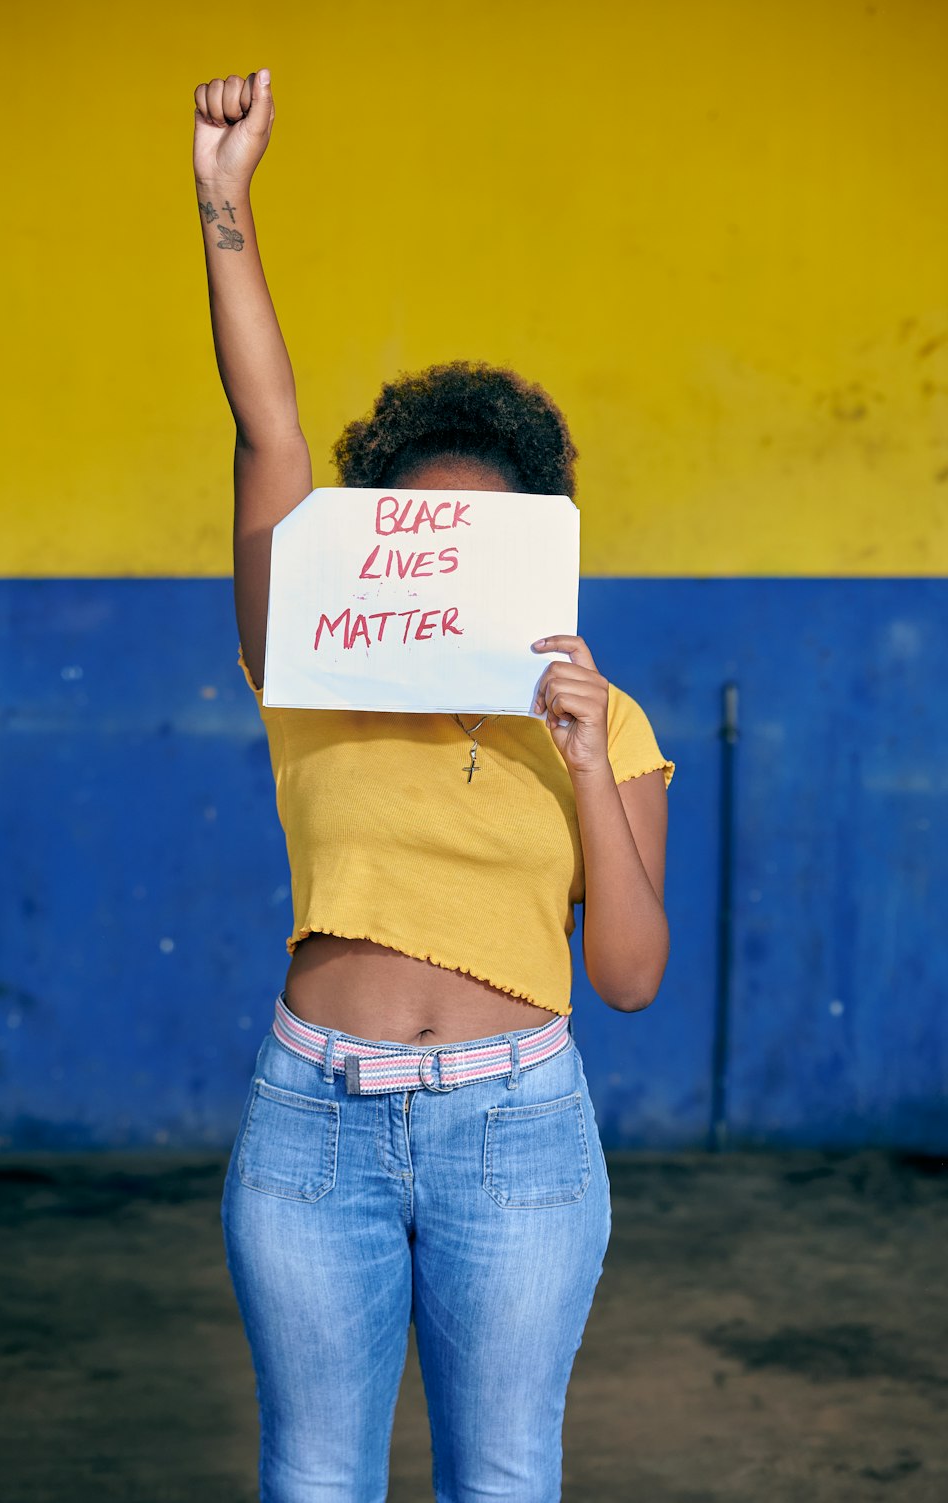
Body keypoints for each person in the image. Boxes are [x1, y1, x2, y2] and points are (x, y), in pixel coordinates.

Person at [194, 67, 676, 1503]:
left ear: (540, 549)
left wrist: (586, 759)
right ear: (380, 548)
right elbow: (269, 435)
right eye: (427, 536)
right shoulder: (309, 672)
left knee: (505, 1479)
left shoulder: (610, 719)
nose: (457, 565)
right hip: (312, 1125)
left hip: (520, 1135)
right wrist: (225, 203)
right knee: (316, 1480)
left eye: (492, 540)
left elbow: (636, 974)